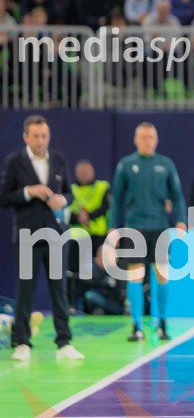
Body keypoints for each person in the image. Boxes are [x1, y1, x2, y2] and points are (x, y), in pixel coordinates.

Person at [0, 115, 84, 361]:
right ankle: (22, 342)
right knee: (25, 289)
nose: (40, 140)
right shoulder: (15, 162)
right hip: (27, 235)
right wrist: (29, 192)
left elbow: (69, 193)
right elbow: (4, 197)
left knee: (59, 290)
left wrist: (62, 200)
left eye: (44, 135)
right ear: (25, 137)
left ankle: (64, 342)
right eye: (35, 136)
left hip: (55, 235)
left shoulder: (59, 160)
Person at [109, 122, 187, 342]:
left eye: (151, 137)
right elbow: (117, 198)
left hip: (160, 226)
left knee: (162, 275)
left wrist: (181, 220)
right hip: (135, 226)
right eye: (143, 137)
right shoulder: (126, 164)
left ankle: (162, 323)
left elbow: (177, 195)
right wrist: (113, 227)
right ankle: (137, 326)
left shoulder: (166, 164)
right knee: (135, 275)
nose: (147, 141)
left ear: (156, 139)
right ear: (136, 139)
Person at [67, 159, 111, 312]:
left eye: (87, 171)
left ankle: (99, 305)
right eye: (82, 172)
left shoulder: (102, 187)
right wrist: (78, 218)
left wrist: (88, 216)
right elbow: (65, 212)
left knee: (100, 272)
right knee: (74, 273)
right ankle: (72, 305)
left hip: (98, 237)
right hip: (78, 238)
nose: (85, 174)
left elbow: (106, 207)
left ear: (93, 172)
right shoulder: (71, 190)